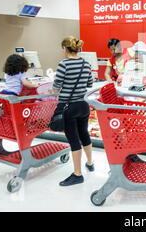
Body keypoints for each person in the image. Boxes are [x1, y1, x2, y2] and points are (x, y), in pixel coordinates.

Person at [52, 36, 94, 187]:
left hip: (69, 107)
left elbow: (56, 87)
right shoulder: (86, 63)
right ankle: (90, 163)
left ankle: (77, 174)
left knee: (74, 140)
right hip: (83, 105)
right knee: (84, 133)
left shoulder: (63, 64)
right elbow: (90, 83)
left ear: (65, 48)